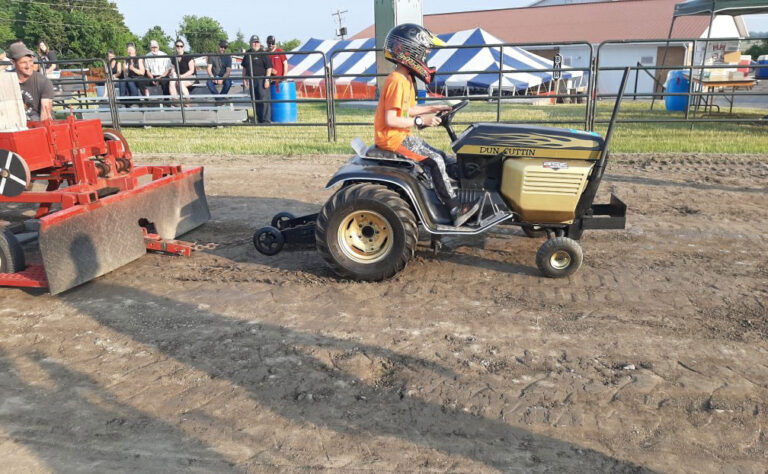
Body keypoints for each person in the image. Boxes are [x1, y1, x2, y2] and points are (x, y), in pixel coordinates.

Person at [375, 24, 479, 227]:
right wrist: (423, 121)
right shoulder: (397, 80)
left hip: (400, 136)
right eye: (424, 52)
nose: (425, 57)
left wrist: (436, 108)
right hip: (392, 139)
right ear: (410, 52)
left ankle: (450, 195)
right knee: (435, 162)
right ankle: (455, 208)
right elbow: (391, 120)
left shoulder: (405, 78)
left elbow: (408, 109)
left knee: (442, 156)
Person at [8, 42, 54, 121]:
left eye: (30, 61)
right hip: (11, 124)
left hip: (36, 125)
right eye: (23, 62)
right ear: (13, 62)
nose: (28, 66)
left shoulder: (44, 82)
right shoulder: (5, 81)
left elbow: (45, 117)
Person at [241, 35, 273, 123]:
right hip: (251, 79)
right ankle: (259, 118)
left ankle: (266, 120)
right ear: (250, 43)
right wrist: (244, 79)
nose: (255, 44)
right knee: (255, 100)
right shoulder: (247, 53)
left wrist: (267, 79)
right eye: (253, 42)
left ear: (259, 43)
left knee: (264, 100)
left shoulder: (263, 53)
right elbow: (244, 67)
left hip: (262, 79)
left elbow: (269, 68)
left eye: (257, 42)